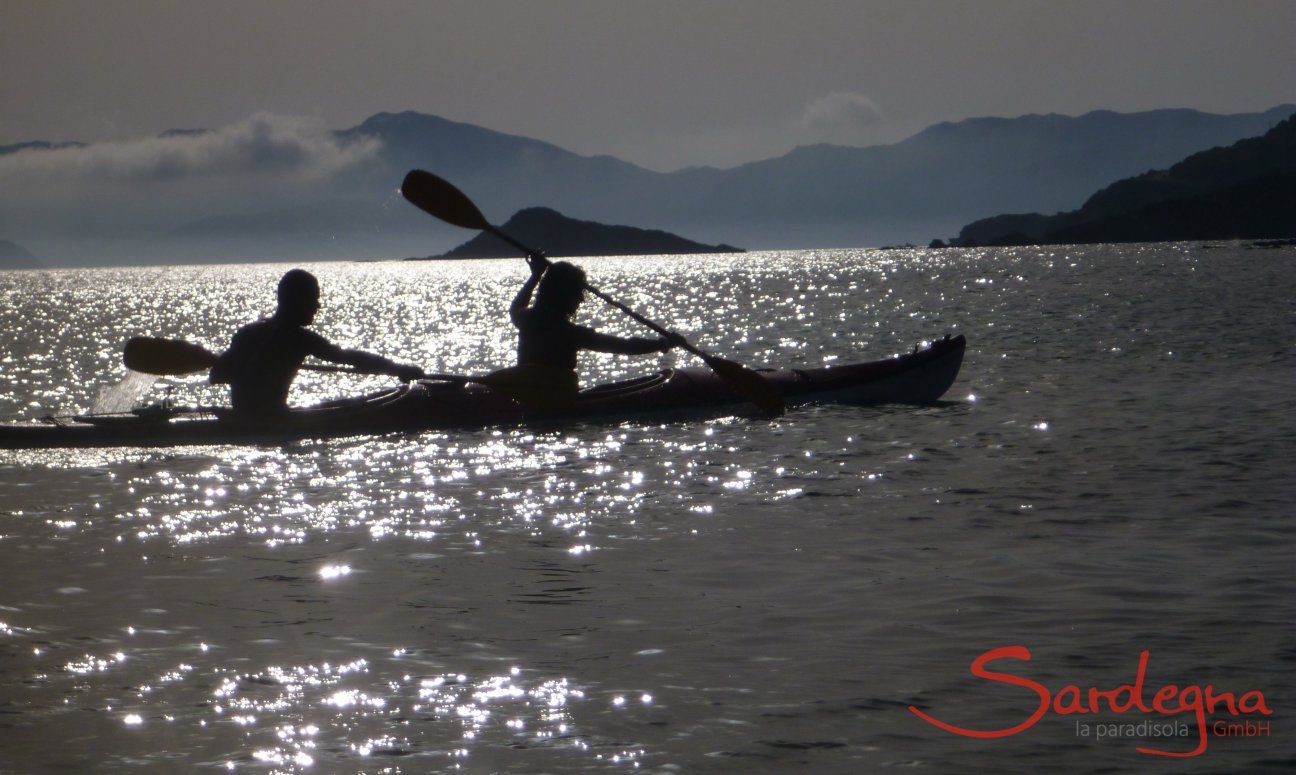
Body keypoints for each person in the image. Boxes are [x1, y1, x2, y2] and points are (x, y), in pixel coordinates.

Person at [210, 269, 425, 414]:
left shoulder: (246, 333)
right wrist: (398, 369)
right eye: (313, 299)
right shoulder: (298, 338)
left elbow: (216, 376)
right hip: (270, 421)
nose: (317, 307)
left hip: (241, 416)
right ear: (296, 301)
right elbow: (346, 357)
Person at [506, 254, 683, 397]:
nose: (581, 299)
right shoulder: (571, 334)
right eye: (577, 293)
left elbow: (516, 307)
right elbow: (626, 346)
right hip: (558, 403)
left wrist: (535, 275)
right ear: (564, 295)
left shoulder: (526, 319)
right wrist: (663, 343)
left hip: (526, 396)